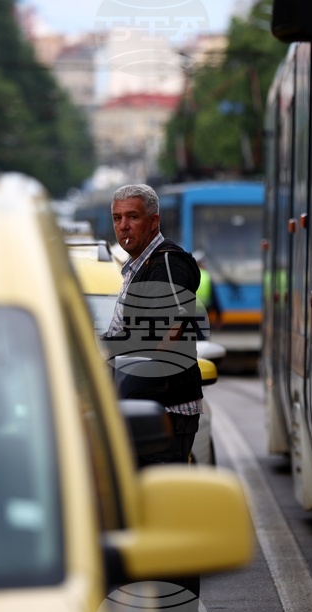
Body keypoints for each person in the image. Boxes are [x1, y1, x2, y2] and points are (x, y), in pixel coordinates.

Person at [103, 183, 203, 466]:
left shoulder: (168, 264)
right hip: (139, 411)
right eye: (117, 218)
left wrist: (102, 348)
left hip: (164, 415)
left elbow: (159, 336)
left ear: (153, 221)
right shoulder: (138, 266)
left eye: (133, 217)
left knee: (160, 503)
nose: (123, 226)